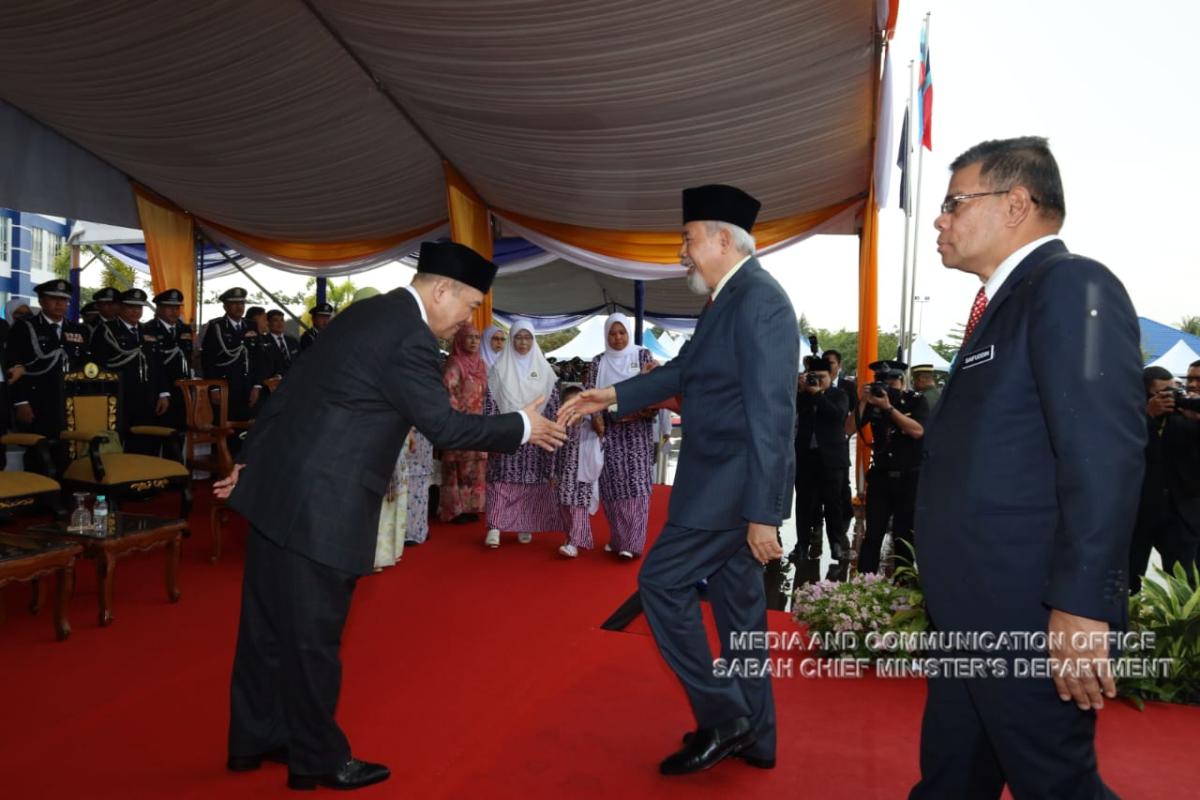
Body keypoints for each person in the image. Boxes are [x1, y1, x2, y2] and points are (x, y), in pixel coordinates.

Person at [215, 241, 566, 792]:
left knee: (265, 629)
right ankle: (316, 759)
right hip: (321, 504)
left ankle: (254, 739)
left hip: (275, 489)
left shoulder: (367, 312)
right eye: (471, 305)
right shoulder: (410, 337)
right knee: (312, 637)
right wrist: (521, 426)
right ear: (442, 290)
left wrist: (248, 461)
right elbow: (444, 426)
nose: (469, 320)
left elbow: (290, 390)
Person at [910, 137, 1145, 799]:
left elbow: (1103, 454)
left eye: (955, 202)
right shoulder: (1003, 305)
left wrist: (1081, 606)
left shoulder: (1070, 286)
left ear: (1016, 204)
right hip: (973, 608)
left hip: (1026, 613)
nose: (940, 220)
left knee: (1055, 783)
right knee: (952, 776)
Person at [560, 184, 797, 775]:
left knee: (661, 585)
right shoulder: (726, 299)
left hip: (728, 492)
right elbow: (687, 369)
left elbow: (773, 413)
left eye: (688, 239)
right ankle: (758, 736)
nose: (681, 251)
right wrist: (610, 395)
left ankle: (724, 716)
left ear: (723, 240)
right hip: (721, 485)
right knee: (740, 614)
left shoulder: (760, 301)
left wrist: (765, 512)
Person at [483, 320, 562, 548]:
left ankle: (524, 523)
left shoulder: (545, 371)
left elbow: (552, 403)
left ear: (534, 340)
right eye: (518, 337)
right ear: (512, 339)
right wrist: (493, 432)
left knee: (530, 480)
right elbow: (490, 403)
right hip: (508, 432)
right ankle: (495, 526)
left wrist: (549, 429)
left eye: (528, 337)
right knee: (500, 480)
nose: (523, 342)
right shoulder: (498, 369)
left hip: (535, 434)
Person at [585, 312, 656, 558]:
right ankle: (618, 539)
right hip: (609, 432)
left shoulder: (642, 355)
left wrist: (632, 411)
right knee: (613, 486)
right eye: (612, 333)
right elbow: (590, 395)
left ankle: (633, 544)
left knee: (635, 485)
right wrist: (596, 418)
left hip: (636, 433)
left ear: (628, 332)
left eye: (622, 332)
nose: (617, 338)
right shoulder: (599, 361)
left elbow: (654, 389)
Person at [1129, 363, 1200, 591]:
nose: (1169, 398)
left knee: (1185, 585)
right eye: (1162, 394)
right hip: (1138, 515)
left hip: (1180, 517)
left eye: (1172, 392)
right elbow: (1125, 449)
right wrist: (1148, 415)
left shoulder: (1185, 417)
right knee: (1130, 582)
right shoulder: (1131, 416)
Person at [855, 359, 927, 575]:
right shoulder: (872, 402)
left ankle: (904, 584)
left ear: (902, 381)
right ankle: (864, 584)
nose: (887, 386)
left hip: (908, 479)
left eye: (892, 381)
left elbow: (917, 431)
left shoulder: (915, 400)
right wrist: (863, 402)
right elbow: (848, 429)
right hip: (881, 477)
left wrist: (888, 408)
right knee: (872, 535)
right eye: (883, 382)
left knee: (903, 535)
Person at [9, 279, 90, 440]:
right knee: (38, 447)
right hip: (36, 399)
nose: (59, 304)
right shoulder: (25, 327)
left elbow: (84, 365)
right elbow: (14, 365)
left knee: (69, 447)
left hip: (70, 400)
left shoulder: (78, 329)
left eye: (64, 299)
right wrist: (20, 402)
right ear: (41, 301)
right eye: (53, 298)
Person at [791, 355, 852, 569]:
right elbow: (792, 412)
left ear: (831, 376)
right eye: (813, 376)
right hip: (806, 457)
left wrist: (818, 394)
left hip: (832, 459)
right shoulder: (803, 396)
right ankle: (802, 544)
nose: (817, 381)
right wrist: (801, 390)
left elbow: (837, 415)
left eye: (822, 377)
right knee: (804, 504)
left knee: (833, 503)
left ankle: (837, 544)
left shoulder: (839, 395)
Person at [90, 287, 166, 454]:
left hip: (147, 397)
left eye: (139, 307)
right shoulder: (106, 330)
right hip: (118, 396)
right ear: (120, 307)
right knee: (116, 443)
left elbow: (158, 365)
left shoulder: (148, 331)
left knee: (146, 443)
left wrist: (163, 393)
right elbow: (98, 366)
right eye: (130, 307)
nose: (135, 311)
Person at [438, 325, 489, 524]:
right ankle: (454, 509)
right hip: (459, 422)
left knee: (474, 464)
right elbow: (448, 394)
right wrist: (457, 421)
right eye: (469, 337)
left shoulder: (481, 364)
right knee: (456, 465)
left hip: (478, 422)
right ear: (460, 340)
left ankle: (470, 506)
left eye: (477, 337)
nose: (474, 341)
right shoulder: (454, 363)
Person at [553, 384, 605, 558]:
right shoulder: (560, 427)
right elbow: (554, 452)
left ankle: (574, 543)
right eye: (570, 404)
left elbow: (601, 435)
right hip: (564, 478)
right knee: (565, 509)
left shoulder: (590, 426)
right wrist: (552, 474)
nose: (574, 409)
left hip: (583, 477)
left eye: (578, 404)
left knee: (578, 509)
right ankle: (571, 539)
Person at [201, 287, 256, 431]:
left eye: (242, 303)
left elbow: (257, 357)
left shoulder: (251, 325)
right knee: (224, 428)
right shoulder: (216, 326)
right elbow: (208, 360)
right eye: (234, 303)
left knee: (246, 429)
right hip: (225, 386)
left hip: (247, 385)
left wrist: (257, 385)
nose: (239, 307)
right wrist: (213, 388)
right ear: (225, 306)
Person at [145, 288, 193, 430]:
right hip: (161, 389)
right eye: (169, 308)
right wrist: (162, 392)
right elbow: (153, 365)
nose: (174, 312)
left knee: (181, 431)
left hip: (183, 388)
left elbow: (188, 357)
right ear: (159, 308)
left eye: (177, 308)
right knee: (161, 430)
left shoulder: (185, 329)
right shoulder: (149, 329)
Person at [264, 310, 300, 377]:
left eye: (282, 320)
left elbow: (300, 361)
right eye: (275, 320)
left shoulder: (293, 341)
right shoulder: (263, 342)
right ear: (268, 322)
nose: (280, 323)